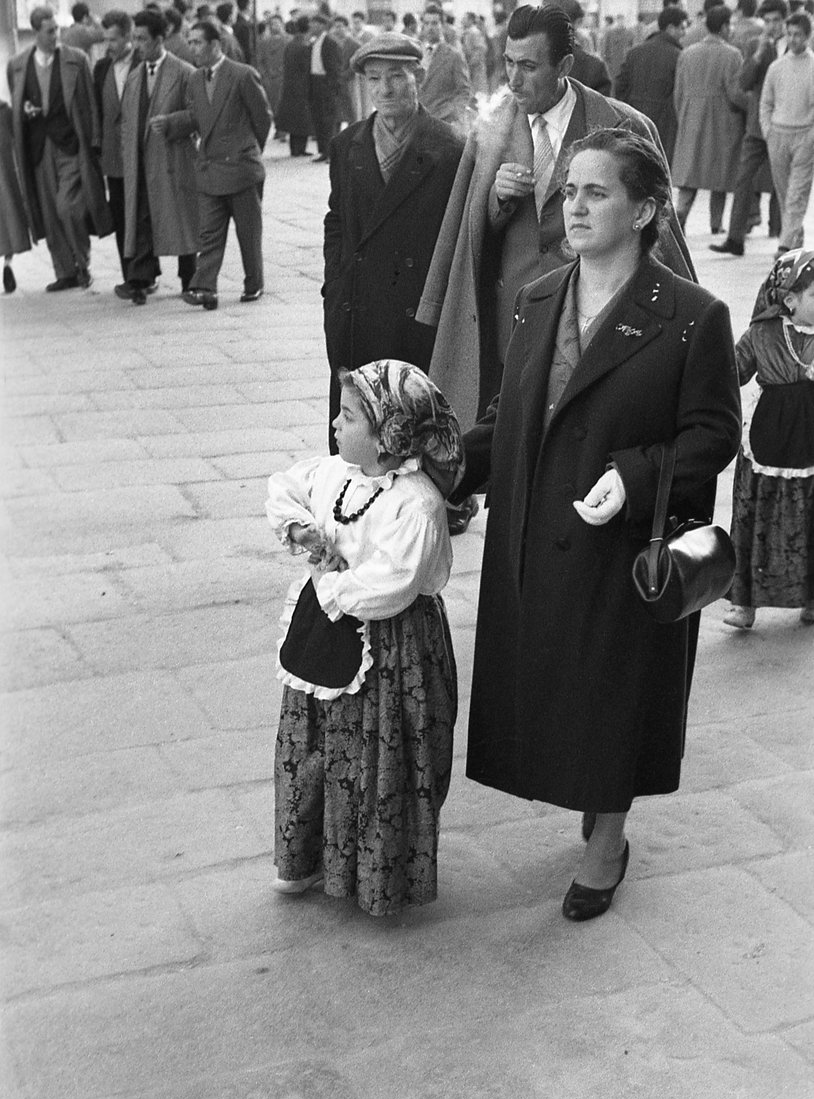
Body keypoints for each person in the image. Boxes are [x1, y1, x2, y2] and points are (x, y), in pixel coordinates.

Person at [450, 128, 741, 920]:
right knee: (558, 684)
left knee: (616, 691)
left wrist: (637, 474)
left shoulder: (691, 316)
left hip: (625, 545)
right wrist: (442, 463)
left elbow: (715, 435)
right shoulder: (538, 295)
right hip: (538, 529)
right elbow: (511, 412)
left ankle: (607, 841)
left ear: (646, 210)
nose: (573, 206)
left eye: (596, 192)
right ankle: (591, 804)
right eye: (569, 190)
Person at [416, 4, 694, 432]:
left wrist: (686, 322)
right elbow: (467, 230)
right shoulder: (492, 126)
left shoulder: (624, 125)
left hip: (597, 319)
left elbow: (660, 232)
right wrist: (496, 198)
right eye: (508, 63)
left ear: (565, 65)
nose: (512, 79)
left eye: (528, 66)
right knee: (514, 447)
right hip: (515, 324)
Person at [265, 359, 463, 917]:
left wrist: (332, 586)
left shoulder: (417, 504)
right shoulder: (335, 473)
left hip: (394, 649)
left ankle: (376, 874)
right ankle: (306, 857)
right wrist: (302, 528)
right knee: (315, 747)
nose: (335, 423)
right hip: (328, 630)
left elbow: (393, 585)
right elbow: (284, 485)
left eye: (348, 416)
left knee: (379, 758)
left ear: (389, 435)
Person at [323, 34, 464, 449]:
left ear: (417, 76)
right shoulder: (346, 146)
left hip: (414, 314)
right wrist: (335, 283)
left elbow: (455, 235)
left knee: (412, 428)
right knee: (356, 423)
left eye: (396, 76)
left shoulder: (449, 147)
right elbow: (336, 219)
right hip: (356, 308)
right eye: (374, 78)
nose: (385, 89)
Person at [155, 17, 271, 309]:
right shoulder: (196, 78)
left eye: (197, 42)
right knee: (209, 234)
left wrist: (249, 150)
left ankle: (253, 283)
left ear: (215, 45)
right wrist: (170, 123)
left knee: (248, 232)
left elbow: (263, 118)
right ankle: (205, 287)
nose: (191, 48)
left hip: (242, 170)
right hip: (209, 169)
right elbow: (197, 116)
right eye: (190, 41)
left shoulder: (243, 75)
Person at [724, 249, 814, 628]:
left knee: (808, 519)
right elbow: (729, 372)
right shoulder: (762, 334)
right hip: (768, 439)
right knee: (754, 515)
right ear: (790, 301)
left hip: (810, 443)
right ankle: (744, 603)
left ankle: (810, 598)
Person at [6, 5, 111, 292]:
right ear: (36, 32)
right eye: (50, 31)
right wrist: (26, 108)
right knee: (50, 213)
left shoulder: (75, 60)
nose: (56, 36)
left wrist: (95, 143)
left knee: (70, 208)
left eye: (58, 30)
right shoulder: (17, 65)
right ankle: (65, 272)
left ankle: (82, 264)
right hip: (39, 149)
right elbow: (19, 104)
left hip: (71, 146)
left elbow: (90, 105)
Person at [117, 10, 199, 304]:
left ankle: (191, 279)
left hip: (174, 160)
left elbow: (200, 115)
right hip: (141, 162)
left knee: (182, 219)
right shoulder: (136, 75)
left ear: (159, 39)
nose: (137, 45)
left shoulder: (184, 72)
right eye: (134, 38)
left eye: (142, 39)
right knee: (141, 219)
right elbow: (127, 119)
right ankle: (139, 279)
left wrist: (173, 122)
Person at [710, 0, 787, 257]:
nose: (773, 26)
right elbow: (743, 82)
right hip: (756, 126)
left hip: (784, 125)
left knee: (782, 183)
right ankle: (735, 238)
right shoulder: (755, 45)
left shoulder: (795, 47)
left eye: (777, 20)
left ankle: (783, 236)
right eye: (769, 21)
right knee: (743, 180)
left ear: (785, 21)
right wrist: (757, 54)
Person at [672, 5, 749, 235]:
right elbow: (735, 92)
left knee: (690, 174)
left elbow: (678, 92)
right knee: (720, 173)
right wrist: (751, 106)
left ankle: (680, 215)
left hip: (691, 117)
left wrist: (684, 115)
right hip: (721, 120)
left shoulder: (687, 52)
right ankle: (716, 223)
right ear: (724, 26)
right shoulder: (732, 54)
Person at [759, 11, 814, 254]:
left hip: (805, 136)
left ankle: (784, 246)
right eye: (790, 34)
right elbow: (766, 103)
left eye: (799, 35)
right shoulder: (777, 67)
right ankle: (795, 238)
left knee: (796, 195)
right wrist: (768, 130)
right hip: (778, 136)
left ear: (808, 36)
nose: (793, 39)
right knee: (784, 195)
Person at [93, 10, 140, 285]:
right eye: (105, 39)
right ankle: (129, 275)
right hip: (113, 153)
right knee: (120, 213)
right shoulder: (101, 68)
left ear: (128, 36)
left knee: (141, 214)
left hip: (139, 152)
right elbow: (96, 110)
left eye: (113, 39)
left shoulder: (142, 63)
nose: (108, 45)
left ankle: (145, 271)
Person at [614, 6, 689, 164]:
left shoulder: (634, 52)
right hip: (666, 125)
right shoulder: (679, 56)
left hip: (633, 119)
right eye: (682, 27)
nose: (684, 33)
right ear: (670, 28)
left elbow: (620, 86)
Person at [418, 4, 473, 136]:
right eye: (427, 23)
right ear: (423, 26)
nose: (430, 27)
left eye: (435, 23)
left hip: (442, 123)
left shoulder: (454, 56)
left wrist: (453, 114)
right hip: (416, 123)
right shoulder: (416, 54)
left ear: (442, 25)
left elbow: (464, 90)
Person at [0, 99, 31, 293]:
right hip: (5, 176)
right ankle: (7, 263)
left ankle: (7, 264)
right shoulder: (5, 112)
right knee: (8, 218)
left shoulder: (5, 112)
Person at [276, 14, 313, 155]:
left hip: (289, 84)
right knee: (302, 119)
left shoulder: (290, 44)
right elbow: (307, 68)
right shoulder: (305, 46)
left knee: (293, 118)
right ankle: (300, 149)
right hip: (302, 86)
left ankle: (295, 148)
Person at [309, 11, 341, 161]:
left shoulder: (330, 42)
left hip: (326, 83)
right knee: (319, 118)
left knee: (328, 119)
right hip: (315, 82)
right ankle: (323, 151)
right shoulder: (315, 41)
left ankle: (331, 153)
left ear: (322, 26)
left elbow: (334, 68)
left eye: (314, 23)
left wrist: (331, 87)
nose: (310, 26)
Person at [256, 13, 290, 126]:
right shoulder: (263, 42)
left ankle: (282, 128)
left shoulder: (289, 40)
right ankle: (277, 125)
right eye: (271, 24)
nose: (273, 26)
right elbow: (259, 60)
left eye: (276, 23)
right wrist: (264, 75)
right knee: (272, 103)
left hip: (285, 78)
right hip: (269, 79)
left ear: (282, 24)